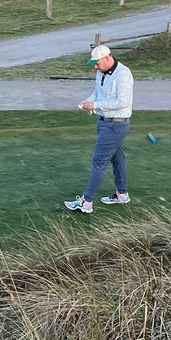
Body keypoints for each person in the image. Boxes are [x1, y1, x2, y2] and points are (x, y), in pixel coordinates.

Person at [64, 44, 133, 214]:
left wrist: (95, 105)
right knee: (117, 159)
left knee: (98, 162)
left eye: (97, 64)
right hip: (104, 122)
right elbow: (98, 93)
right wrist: (86, 102)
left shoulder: (123, 74)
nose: (94, 68)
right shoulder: (101, 72)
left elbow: (122, 102)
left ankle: (86, 203)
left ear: (107, 58)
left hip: (115, 124)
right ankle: (122, 194)